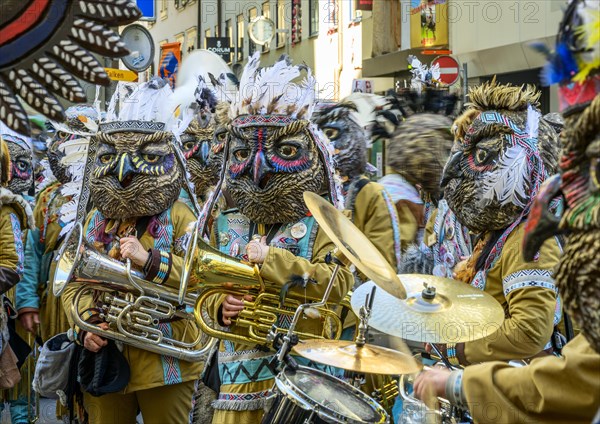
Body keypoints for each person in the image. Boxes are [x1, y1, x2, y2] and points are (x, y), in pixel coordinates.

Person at [414, 3, 600, 421]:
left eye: (480, 153)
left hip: (518, 398)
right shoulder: (501, 232)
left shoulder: (529, 238)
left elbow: (531, 329)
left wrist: (461, 351)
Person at [200, 52, 354, 424]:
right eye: (242, 153)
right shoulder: (225, 222)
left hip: (302, 385)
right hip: (237, 388)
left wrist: (273, 259)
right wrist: (220, 306)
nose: (259, 168)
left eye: (285, 151)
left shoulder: (329, 222)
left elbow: (341, 285)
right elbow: (199, 293)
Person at [60, 78, 202, 424]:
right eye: (111, 157)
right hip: (108, 360)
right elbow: (71, 283)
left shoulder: (183, 217)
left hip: (167, 364)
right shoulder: (94, 219)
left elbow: (204, 281)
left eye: (146, 157)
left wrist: (151, 261)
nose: (124, 171)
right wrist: (86, 326)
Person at [0, 127, 36, 424]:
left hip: (11, 300)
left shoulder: (8, 209)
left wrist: (27, 303)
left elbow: (17, 264)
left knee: (15, 369)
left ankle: (23, 416)